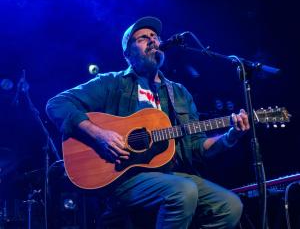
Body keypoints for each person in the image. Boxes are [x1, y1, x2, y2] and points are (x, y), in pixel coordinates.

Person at [46, 16, 250, 228]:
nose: (153, 40)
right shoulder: (112, 83)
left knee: (230, 206)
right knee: (182, 191)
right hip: (124, 178)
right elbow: (57, 104)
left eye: (155, 36)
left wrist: (229, 137)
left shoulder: (179, 93)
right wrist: (100, 135)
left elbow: (198, 148)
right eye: (143, 38)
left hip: (170, 175)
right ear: (127, 53)